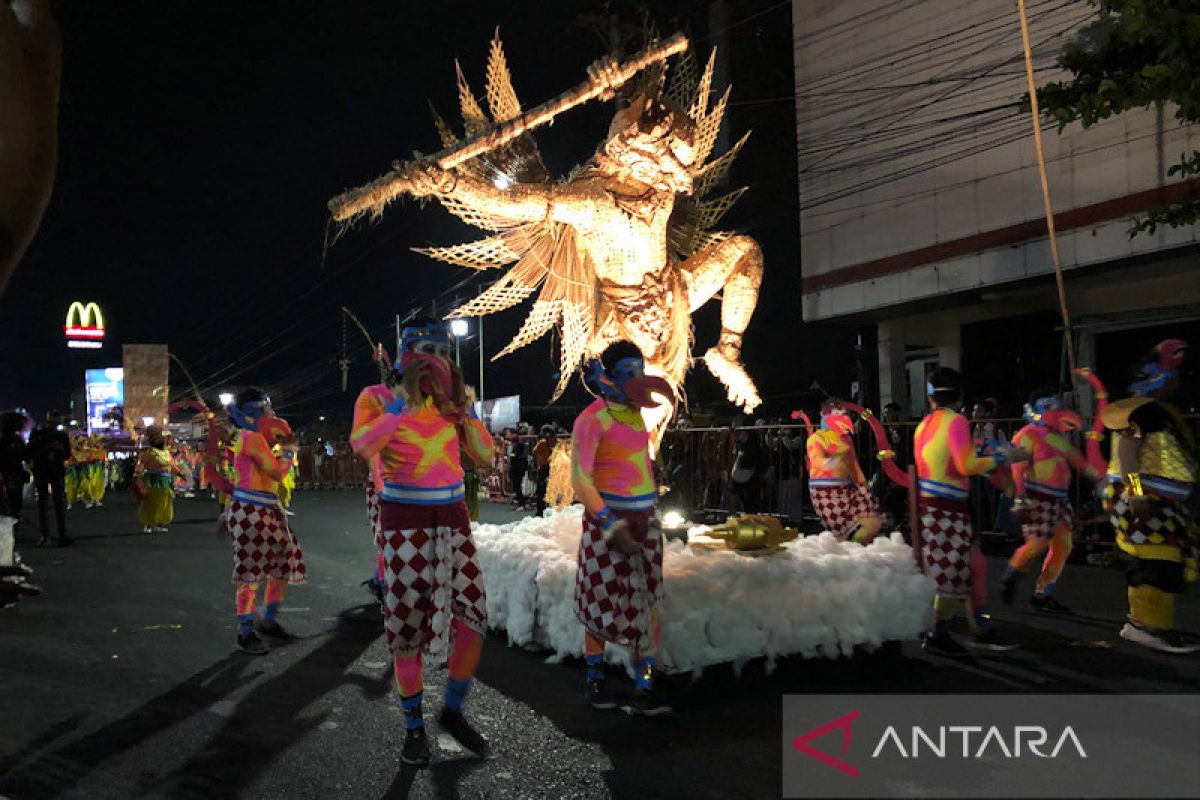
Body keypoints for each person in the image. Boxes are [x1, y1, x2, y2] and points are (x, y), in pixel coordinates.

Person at [350, 319, 494, 765]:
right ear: (404, 353)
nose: (436, 357)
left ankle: (452, 710)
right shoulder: (375, 397)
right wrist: (399, 401)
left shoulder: (453, 399)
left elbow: (485, 458)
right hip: (403, 523)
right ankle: (414, 729)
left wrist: (465, 413)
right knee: (407, 631)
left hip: (452, 518)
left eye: (443, 350)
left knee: (473, 618)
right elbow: (362, 446)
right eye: (425, 348)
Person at [572, 340, 674, 716]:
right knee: (600, 601)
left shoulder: (637, 417)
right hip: (607, 522)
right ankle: (595, 680)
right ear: (609, 377)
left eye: (640, 369)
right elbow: (580, 481)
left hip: (644, 521)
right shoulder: (591, 419)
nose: (638, 378)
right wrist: (609, 522)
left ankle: (645, 686)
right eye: (628, 371)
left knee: (648, 605)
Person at [915, 368, 1028, 657]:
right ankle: (938, 634)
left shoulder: (924, 424)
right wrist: (1004, 456)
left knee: (975, 566)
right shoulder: (956, 421)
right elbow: (965, 466)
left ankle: (980, 626)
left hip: (935, 508)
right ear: (960, 396)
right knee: (952, 576)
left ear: (930, 397)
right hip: (945, 510)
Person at [1101, 339, 1198, 654]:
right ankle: (1149, 628)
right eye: (1174, 379)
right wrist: (1135, 489)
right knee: (1160, 561)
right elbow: (1129, 448)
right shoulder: (1141, 410)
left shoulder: (1153, 411)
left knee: (1156, 560)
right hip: (1145, 497)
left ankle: (1143, 623)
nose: (1178, 384)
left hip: (1157, 499)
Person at [221, 389, 306, 656]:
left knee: (284, 562)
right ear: (255, 412)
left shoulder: (256, 438)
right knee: (251, 573)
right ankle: (245, 631)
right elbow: (278, 473)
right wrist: (290, 451)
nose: (272, 413)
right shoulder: (252, 438)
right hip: (252, 510)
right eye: (267, 409)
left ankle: (267, 619)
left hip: (265, 509)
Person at [1000, 389, 1099, 612]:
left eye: (1056, 406)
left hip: (1060, 501)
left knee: (1063, 546)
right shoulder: (1026, 434)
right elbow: (1016, 468)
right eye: (1048, 407)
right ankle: (1011, 574)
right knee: (1037, 545)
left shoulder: (1058, 437)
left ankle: (1043, 593)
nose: (1054, 411)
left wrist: (1098, 474)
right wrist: (1020, 499)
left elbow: (1078, 461)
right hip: (1037, 498)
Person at [351, 351, 406, 608]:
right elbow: (369, 447)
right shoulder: (375, 398)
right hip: (385, 485)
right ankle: (384, 586)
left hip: (412, 486)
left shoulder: (419, 403)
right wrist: (384, 489)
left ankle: (379, 580)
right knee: (389, 540)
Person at [806, 403, 883, 544]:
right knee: (840, 534)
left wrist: (864, 486)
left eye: (844, 414)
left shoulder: (846, 438)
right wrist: (836, 460)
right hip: (825, 491)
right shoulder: (817, 438)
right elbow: (817, 461)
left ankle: (855, 550)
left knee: (872, 518)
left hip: (848, 488)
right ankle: (843, 556)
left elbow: (853, 464)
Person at [26, 412, 71, 547]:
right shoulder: (40, 435)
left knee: (55, 504)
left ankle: (58, 535)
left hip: (54, 471)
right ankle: (48, 535)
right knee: (46, 504)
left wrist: (58, 452)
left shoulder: (60, 436)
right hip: (45, 471)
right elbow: (30, 452)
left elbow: (67, 454)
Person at [134, 426, 177, 533]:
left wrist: (179, 474)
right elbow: (141, 465)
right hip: (153, 479)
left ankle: (159, 522)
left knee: (165, 501)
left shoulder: (166, 452)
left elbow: (172, 465)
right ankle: (148, 524)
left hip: (165, 480)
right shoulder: (149, 452)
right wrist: (137, 476)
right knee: (151, 501)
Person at [532, 424, 558, 516]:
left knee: (541, 490)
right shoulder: (556, 442)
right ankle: (552, 509)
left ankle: (540, 511)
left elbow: (534, 452)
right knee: (552, 489)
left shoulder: (542, 443)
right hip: (554, 468)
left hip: (545, 468)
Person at [507, 425, 530, 509]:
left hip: (518, 468)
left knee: (517, 486)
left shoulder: (519, 444)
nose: (508, 435)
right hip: (515, 468)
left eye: (509, 434)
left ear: (514, 434)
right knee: (516, 486)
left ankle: (522, 504)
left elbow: (518, 455)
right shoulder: (514, 444)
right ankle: (521, 503)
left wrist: (512, 455)